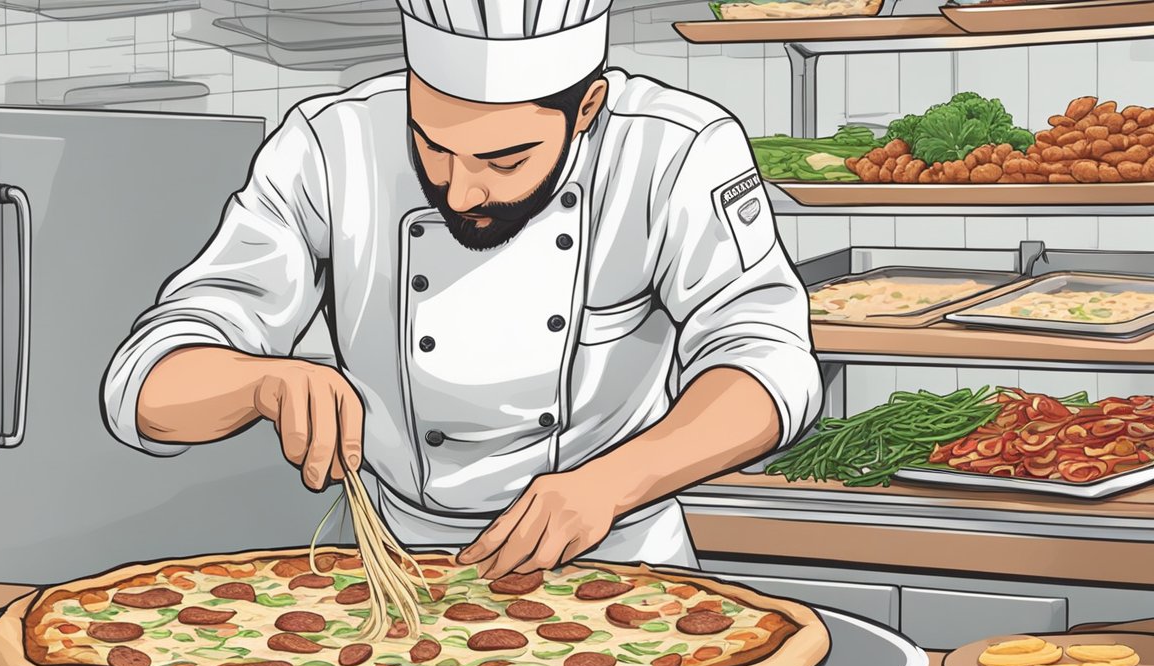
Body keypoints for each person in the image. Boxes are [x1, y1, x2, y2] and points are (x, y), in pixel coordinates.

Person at [102, 0, 822, 579]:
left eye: (505, 158)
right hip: (392, 580)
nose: (460, 188)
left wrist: (610, 484)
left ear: (588, 108)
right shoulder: (330, 145)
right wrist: (258, 383)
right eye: (431, 144)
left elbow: (767, 364)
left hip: (621, 568)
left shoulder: (675, 149)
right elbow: (147, 386)